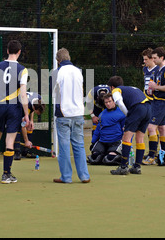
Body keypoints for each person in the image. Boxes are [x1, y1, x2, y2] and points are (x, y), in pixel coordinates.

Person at [0, 40, 32, 184]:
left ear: (7, 50)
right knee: (10, 140)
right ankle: (6, 175)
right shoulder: (23, 69)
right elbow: (23, 94)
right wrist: (26, 115)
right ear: (19, 52)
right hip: (14, 107)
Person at [52, 48, 90, 184]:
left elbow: (54, 92)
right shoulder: (78, 71)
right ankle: (84, 176)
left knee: (63, 147)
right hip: (78, 112)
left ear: (58, 60)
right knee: (79, 145)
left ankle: (66, 177)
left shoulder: (57, 72)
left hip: (64, 112)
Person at [107, 76, 151, 175]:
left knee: (126, 137)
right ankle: (137, 167)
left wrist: (128, 116)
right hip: (148, 108)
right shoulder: (131, 88)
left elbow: (120, 103)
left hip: (138, 108)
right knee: (140, 138)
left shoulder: (116, 90)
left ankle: (123, 167)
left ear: (112, 87)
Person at [144, 46, 165, 165]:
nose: (154, 60)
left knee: (151, 128)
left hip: (162, 102)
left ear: (162, 58)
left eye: (155, 58)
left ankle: (152, 156)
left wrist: (156, 87)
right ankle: (163, 154)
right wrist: (152, 89)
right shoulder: (159, 69)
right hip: (157, 101)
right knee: (162, 128)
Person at [88, 93, 126, 166]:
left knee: (110, 159)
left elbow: (126, 130)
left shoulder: (122, 113)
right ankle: (103, 154)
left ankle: (111, 154)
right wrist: (93, 142)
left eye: (110, 101)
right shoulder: (102, 114)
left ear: (114, 101)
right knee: (94, 158)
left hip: (115, 141)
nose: (108, 104)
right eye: (106, 102)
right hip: (103, 141)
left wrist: (127, 144)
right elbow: (98, 130)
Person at [14, 91, 45, 160]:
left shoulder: (38, 98)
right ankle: (17, 152)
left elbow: (32, 110)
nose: (38, 114)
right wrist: (26, 141)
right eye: (38, 112)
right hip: (16, 106)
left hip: (25, 103)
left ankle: (26, 152)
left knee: (30, 126)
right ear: (34, 107)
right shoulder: (27, 106)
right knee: (17, 127)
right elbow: (23, 126)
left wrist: (31, 120)